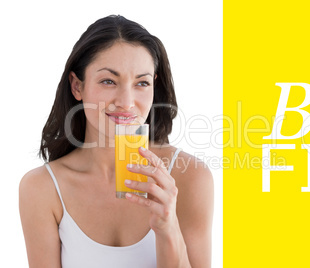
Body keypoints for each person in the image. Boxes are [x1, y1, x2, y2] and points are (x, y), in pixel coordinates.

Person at [19, 15, 213, 268]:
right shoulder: (42, 188)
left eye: (141, 83)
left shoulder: (190, 178)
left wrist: (168, 229)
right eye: (109, 81)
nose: (126, 101)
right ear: (77, 86)